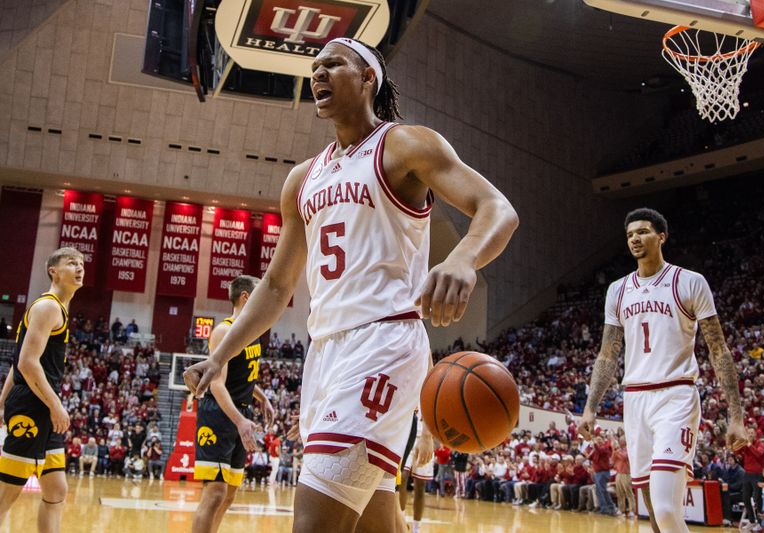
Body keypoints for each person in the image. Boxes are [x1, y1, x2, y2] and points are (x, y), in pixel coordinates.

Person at [183, 37, 518, 533]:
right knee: (374, 525)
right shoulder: (302, 179)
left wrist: (464, 259)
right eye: (313, 67)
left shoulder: (404, 145)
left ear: (368, 78)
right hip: (325, 354)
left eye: (332, 64)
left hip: (382, 343)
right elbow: (276, 287)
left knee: (314, 523)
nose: (317, 73)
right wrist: (220, 354)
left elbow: (497, 209)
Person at [578, 208, 748, 533]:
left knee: (669, 511)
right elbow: (607, 354)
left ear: (661, 236)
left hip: (676, 395)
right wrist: (590, 407)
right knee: (654, 514)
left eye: (642, 232)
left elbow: (718, 348)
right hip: (635, 400)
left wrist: (736, 416)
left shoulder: (689, 282)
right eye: (629, 235)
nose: (635, 239)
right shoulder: (618, 289)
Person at [0, 247, 83, 532]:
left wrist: (1, 403)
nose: (79, 267)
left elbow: (16, 362)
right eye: (72, 262)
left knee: (56, 488)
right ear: (53, 271)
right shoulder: (48, 306)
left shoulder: (56, 308)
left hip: (39, 404)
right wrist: (55, 405)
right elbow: (27, 363)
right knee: (7, 492)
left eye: (82, 262)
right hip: (33, 405)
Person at [191, 275, 275, 533]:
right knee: (215, 493)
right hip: (219, 412)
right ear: (246, 298)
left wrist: (262, 397)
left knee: (229, 495)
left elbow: (242, 374)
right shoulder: (223, 331)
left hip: (241, 409)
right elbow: (217, 383)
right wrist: (240, 421)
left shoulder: (253, 331)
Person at [399, 412, 434, 533]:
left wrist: (428, 435)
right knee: (402, 477)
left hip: (424, 436)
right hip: (406, 431)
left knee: (421, 486)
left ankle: (416, 529)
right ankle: (401, 521)